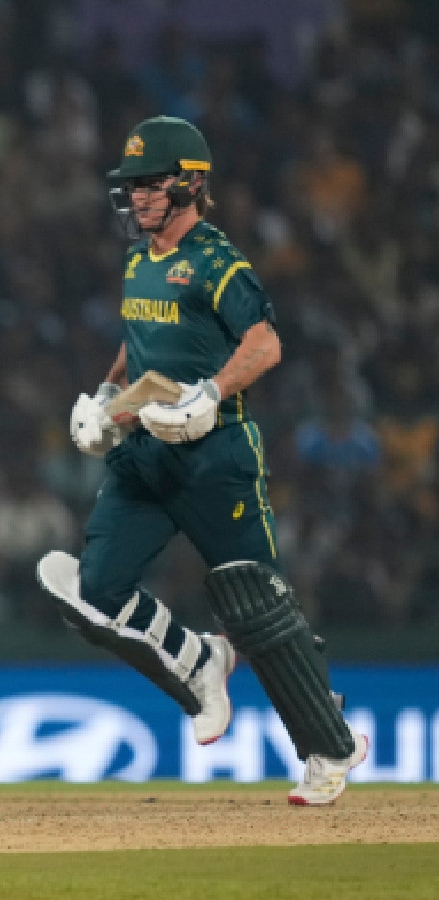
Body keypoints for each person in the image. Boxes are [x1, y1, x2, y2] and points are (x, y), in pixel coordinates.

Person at [41, 116, 367, 805]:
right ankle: (199, 662)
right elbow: (141, 344)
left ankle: (330, 748)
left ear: (191, 184)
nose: (135, 198)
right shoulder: (139, 260)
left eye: (149, 185)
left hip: (215, 458)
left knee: (257, 608)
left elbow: (266, 343)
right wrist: (106, 399)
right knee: (93, 588)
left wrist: (211, 395)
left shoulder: (219, 260)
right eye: (129, 186)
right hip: (145, 459)